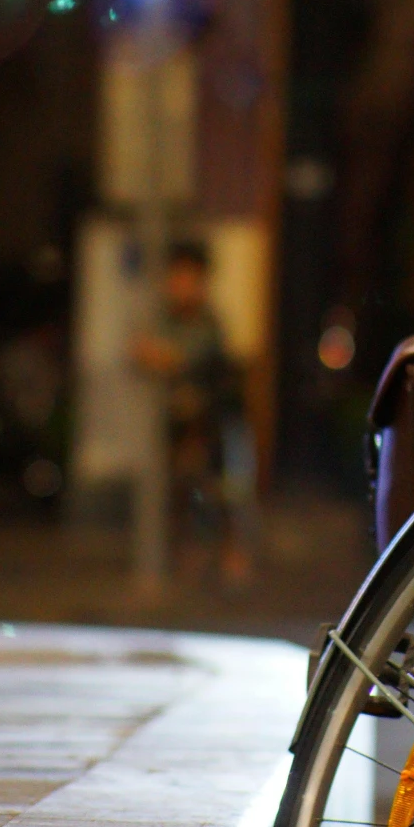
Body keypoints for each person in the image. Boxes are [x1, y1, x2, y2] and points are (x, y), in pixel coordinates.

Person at [133, 238, 254, 587]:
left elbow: (197, 360)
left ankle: (227, 552)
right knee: (179, 492)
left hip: (211, 421)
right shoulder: (163, 316)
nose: (181, 285)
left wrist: (166, 359)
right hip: (175, 422)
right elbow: (143, 353)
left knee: (220, 488)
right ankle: (189, 555)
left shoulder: (208, 321)